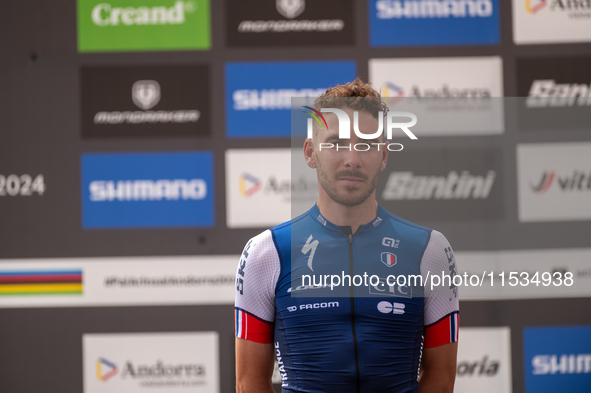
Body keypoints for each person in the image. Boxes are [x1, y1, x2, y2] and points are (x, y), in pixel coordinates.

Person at [235, 79, 459, 393]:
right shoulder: (267, 251)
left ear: (383, 155)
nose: (352, 158)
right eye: (337, 142)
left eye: (366, 144)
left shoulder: (429, 249)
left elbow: (442, 377)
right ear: (310, 152)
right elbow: (249, 382)